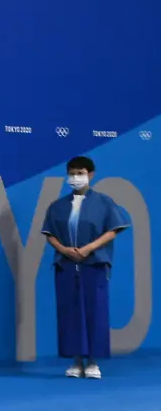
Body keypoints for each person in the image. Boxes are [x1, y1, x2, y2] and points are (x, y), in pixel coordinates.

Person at [41, 156, 130, 379]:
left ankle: (93, 362)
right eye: (72, 173)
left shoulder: (103, 202)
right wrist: (63, 249)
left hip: (95, 263)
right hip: (66, 265)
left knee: (95, 311)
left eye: (80, 173)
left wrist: (90, 248)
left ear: (91, 175)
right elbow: (50, 233)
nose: (75, 177)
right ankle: (76, 360)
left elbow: (113, 229)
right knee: (70, 312)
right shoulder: (58, 206)